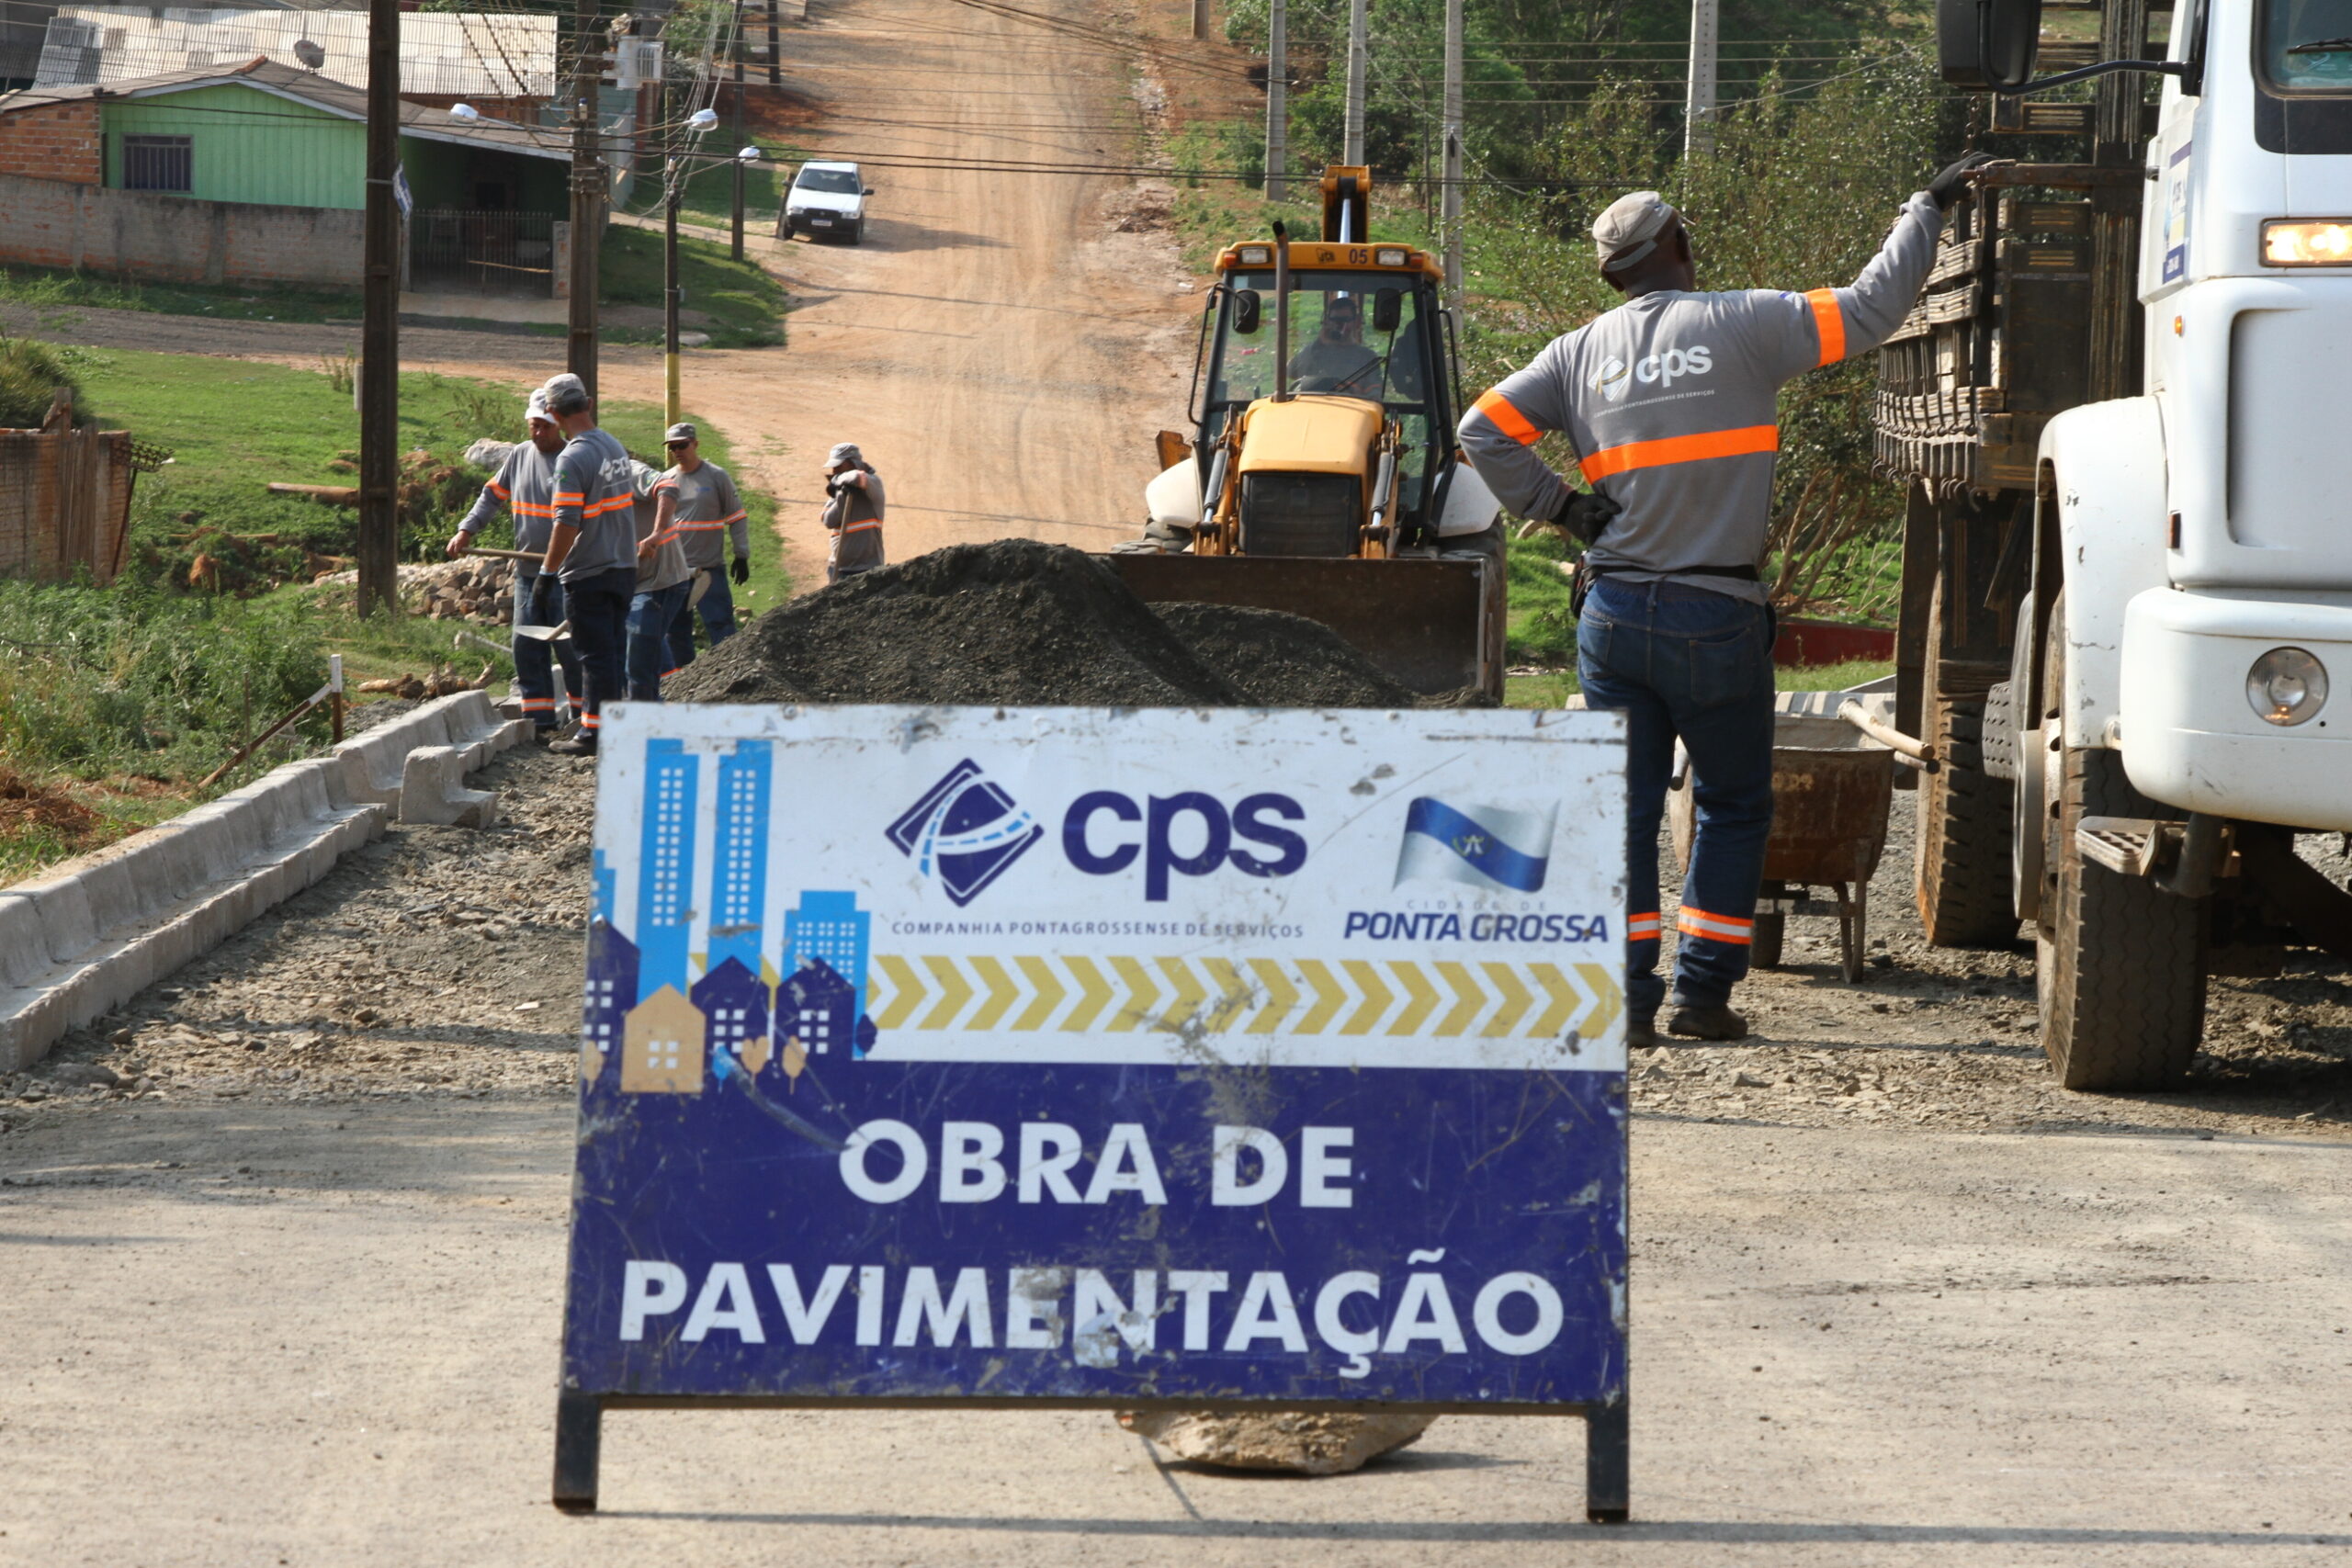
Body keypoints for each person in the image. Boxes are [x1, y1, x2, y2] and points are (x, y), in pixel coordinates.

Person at [1456, 152, 1992, 1047]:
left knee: (1623, 812)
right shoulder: (1749, 324)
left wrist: (1559, 507)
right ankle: (1703, 997)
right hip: (1715, 617)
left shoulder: (1577, 353)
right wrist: (1926, 204)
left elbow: (1483, 429)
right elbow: (1869, 309)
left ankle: (1627, 1004)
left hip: (1615, 616)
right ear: (1679, 245)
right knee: (1734, 804)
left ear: (1610, 273)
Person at [446, 389, 584, 739]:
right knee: (527, 647)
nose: (537, 433)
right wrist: (466, 529)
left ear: (558, 425)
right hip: (527, 573)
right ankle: (539, 723)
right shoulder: (521, 456)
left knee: (571, 648)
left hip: (568, 575)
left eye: (544, 427)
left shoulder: (575, 459)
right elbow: (491, 496)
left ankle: (585, 721)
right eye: (533, 426)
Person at [535, 373, 639, 758]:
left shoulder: (573, 457)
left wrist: (547, 573)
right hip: (623, 567)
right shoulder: (613, 446)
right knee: (612, 652)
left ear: (552, 412)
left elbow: (566, 522)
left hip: (589, 571)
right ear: (588, 404)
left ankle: (593, 734)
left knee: (594, 655)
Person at [651, 422, 750, 672]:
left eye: (682, 445)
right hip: (676, 572)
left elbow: (737, 516)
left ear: (695, 444)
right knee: (676, 631)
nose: (678, 451)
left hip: (709, 570)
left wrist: (741, 554)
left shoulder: (717, 477)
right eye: (673, 447)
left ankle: (730, 674)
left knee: (720, 625)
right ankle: (683, 683)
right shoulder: (667, 480)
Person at [626, 452, 693, 705]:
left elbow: (668, 486)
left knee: (638, 658)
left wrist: (656, 533)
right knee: (638, 654)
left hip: (659, 580)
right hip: (633, 582)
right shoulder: (591, 484)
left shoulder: (629, 471)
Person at [1288, 292, 1384, 396]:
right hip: (1312, 407)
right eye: (1334, 320)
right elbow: (1291, 372)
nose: (1339, 325)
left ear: (1356, 322)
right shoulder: (1315, 351)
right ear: (1327, 321)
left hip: (1350, 409)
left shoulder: (1367, 357)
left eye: (1345, 320)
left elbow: (1375, 395)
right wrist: (1319, 343)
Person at [821, 442, 885, 583]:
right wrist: (841, 496)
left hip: (867, 569)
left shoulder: (874, 483)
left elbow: (858, 478)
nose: (834, 470)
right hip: (838, 569)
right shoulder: (839, 490)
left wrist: (838, 481)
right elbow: (828, 521)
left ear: (853, 463)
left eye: (839, 466)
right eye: (833, 467)